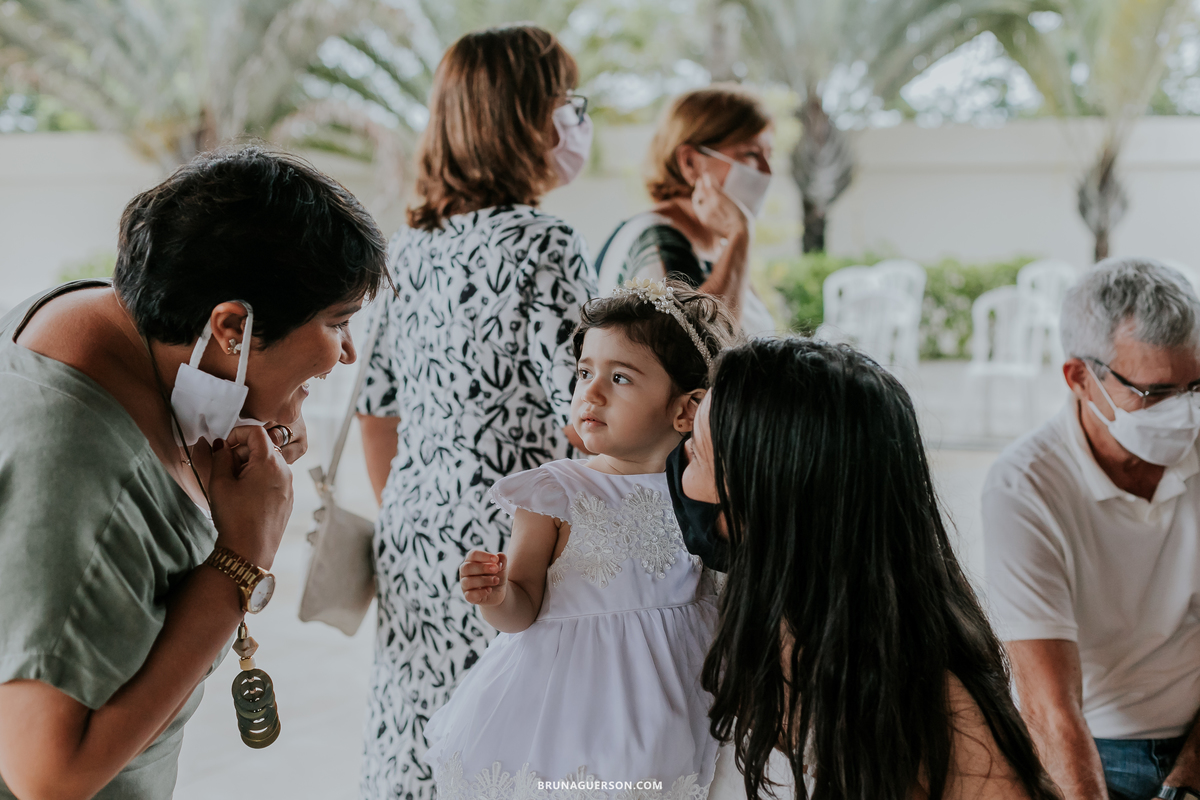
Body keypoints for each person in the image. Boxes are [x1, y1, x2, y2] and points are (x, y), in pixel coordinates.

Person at [0, 146, 387, 800]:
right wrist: (241, 559)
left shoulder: (89, 318)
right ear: (232, 326)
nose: (345, 352)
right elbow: (48, 775)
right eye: (336, 322)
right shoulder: (72, 463)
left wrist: (256, 405)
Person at [354, 24, 598, 800]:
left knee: (419, 741)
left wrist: (411, 504)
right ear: (524, 115)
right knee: (511, 745)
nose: (576, 119)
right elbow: (589, 408)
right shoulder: (543, 244)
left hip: (413, 534)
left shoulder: (408, 249)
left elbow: (375, 408)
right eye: (566, 101)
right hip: (508, 549)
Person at [677, 337, 1061, 800]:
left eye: (696, 452)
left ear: (767, 497)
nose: (678, 462)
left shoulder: (922, 695)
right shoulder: (758, 620)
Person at [425, 278, 739, 797]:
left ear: (687, 409)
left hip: (683, 693)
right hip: (575, 708)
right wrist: (497, 595)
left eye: (619, 377)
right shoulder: (555, 492)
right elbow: (522, 609)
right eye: (584, 372)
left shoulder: (702, 488)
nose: (589, 393)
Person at [983, 258, 1200, 800]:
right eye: (1156, 394)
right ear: (1080, 378)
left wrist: (1187, 781)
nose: (1185, 414)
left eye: (1197, 385)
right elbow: (1050, 707)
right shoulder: (1024, 487)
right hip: (1095, 747)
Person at [593, 86, 777, 335]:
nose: (767, 171)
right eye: (750, 154)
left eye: (769, 155)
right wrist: (740, 233)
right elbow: (699, 348)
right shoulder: (657, 239)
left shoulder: (717, 248)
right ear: (690, 162)